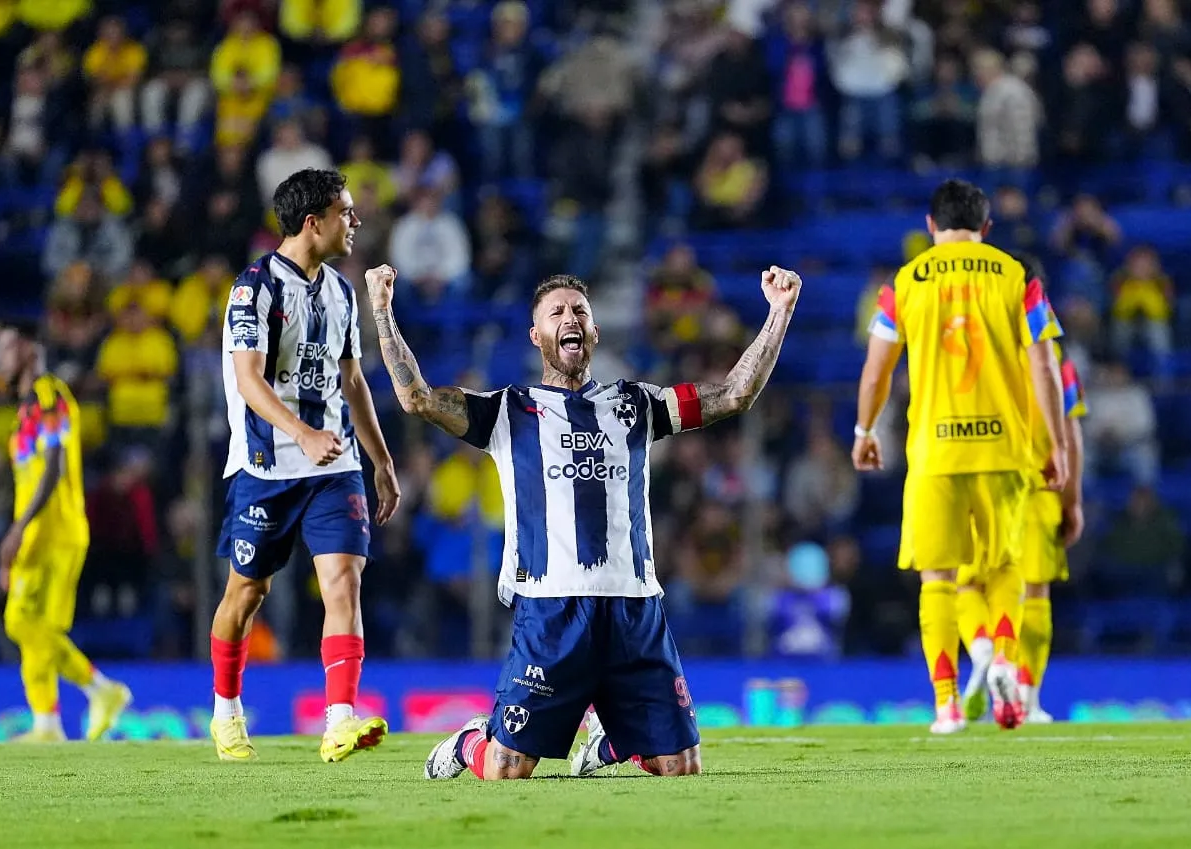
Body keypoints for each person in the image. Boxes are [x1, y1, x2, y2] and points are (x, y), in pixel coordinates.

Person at [366, 263, 802, 781]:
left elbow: (734, 395)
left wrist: (779, 312)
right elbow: (417, 398)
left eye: (580, 312)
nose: (570, 318)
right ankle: (468, 745)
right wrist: (381, 309)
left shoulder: (638, 405)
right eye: (557, 312)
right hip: (552, 608)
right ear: (536, 336)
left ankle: (611, 744)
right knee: (507, 770)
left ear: (594, 331)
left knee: (682, 769)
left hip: (635, 607)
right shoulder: (507, 411)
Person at [853, 179, 1067, 734]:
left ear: (930, 226)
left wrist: (865, 428)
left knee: (938, 579)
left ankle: (947, 704)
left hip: (934, 451)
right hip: (1004, 450)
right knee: (1006, 570)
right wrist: (1059, 447)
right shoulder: (1018, 278)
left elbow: (878, 367)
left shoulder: (904, 283)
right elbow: (1045, 367)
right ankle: (1002, 656)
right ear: (986, 228)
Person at [209, 168, 401, 763]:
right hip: (266, 467)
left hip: (332, 465)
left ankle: (339, 719)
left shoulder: (341, 292)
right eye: (345, 211)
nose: (356, 220)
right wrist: (301, 432)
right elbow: (247, 377)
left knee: (343, 579)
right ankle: (226, 713)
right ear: (312, 222)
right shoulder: (254, 289)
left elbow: (352, 381)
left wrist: (381, 461)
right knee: (247, 592)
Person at [957, 257, 1088, 725]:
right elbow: (1071, 435)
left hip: (979, 480)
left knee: (967, 583)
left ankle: (984, 654)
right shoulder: (1057, 363)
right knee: (1034, 591)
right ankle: (1026, 698)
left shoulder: (975, 355)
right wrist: (1072, 499)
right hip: (1039, 486)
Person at [0, 318, 133, 742]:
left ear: (30, 350)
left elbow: (54, 465)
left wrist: (18, 528)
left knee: (25, 621)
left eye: (7, 347)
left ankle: (72, 707)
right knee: (28, 624)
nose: (0, 358)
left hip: (54, 529)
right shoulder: (24, 410)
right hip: (38, 533)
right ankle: (59, 716)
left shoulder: (48, 395)